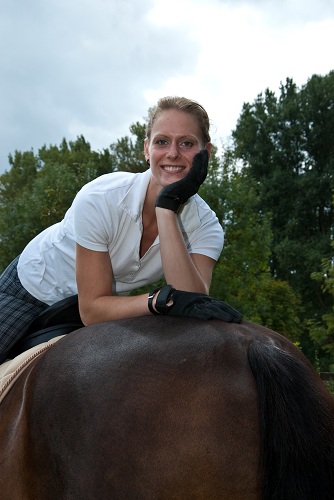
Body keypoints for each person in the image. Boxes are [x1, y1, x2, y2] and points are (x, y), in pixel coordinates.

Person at [0, 96, 242, 364]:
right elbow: (91, 310)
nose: (173, 153)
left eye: (186, 143)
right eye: (162, 142)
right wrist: (156, 301)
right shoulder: (100, 198)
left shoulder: (207, 227)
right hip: (32, 290)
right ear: (147, 149)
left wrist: (166, 209)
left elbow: (190, 304)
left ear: (205, 152)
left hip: (108, 307)